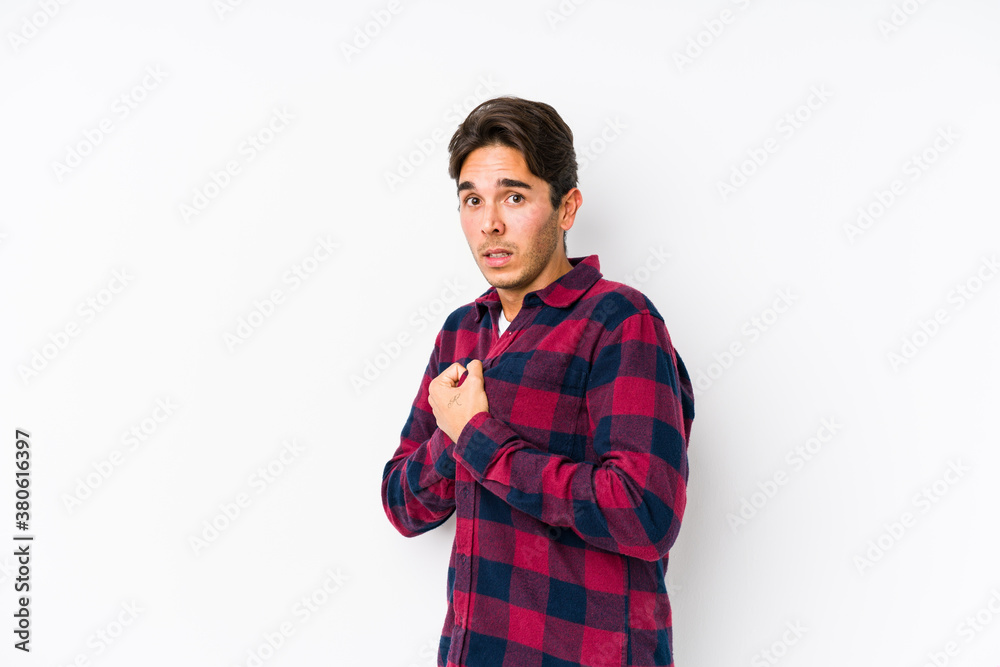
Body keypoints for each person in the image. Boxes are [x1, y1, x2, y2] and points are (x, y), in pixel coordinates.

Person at [381, 96, 695, 667]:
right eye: (472, 200)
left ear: (567, 207)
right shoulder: (462, 331)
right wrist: (451, 440)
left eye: (514, 196)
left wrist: (477, 434)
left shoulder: (620, 320)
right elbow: (403, 505)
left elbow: (645, 513)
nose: (490, 223)